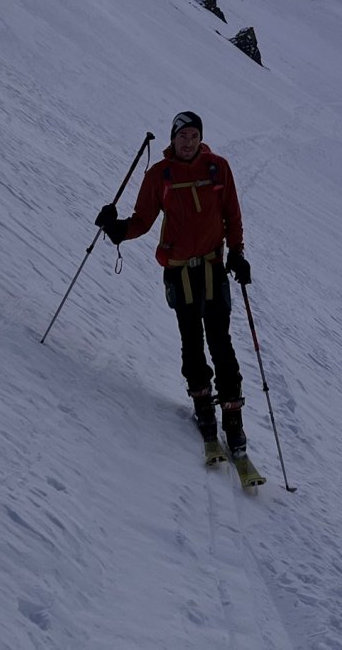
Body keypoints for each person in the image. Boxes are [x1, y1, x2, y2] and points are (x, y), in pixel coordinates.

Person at [97, 110, 254, 463]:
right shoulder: (159, 176)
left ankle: (232, 418)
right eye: (183, 136)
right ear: (173, 138)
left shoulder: (218, 168)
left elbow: (232, 214)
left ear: (201, 138)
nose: (188, 142)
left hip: (213, 269)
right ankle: (203, 406)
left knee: (221, 342)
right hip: (179, 271)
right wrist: (117, 229)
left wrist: (237, 253)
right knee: (191, 343)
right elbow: (143, 219)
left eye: (194, 136)